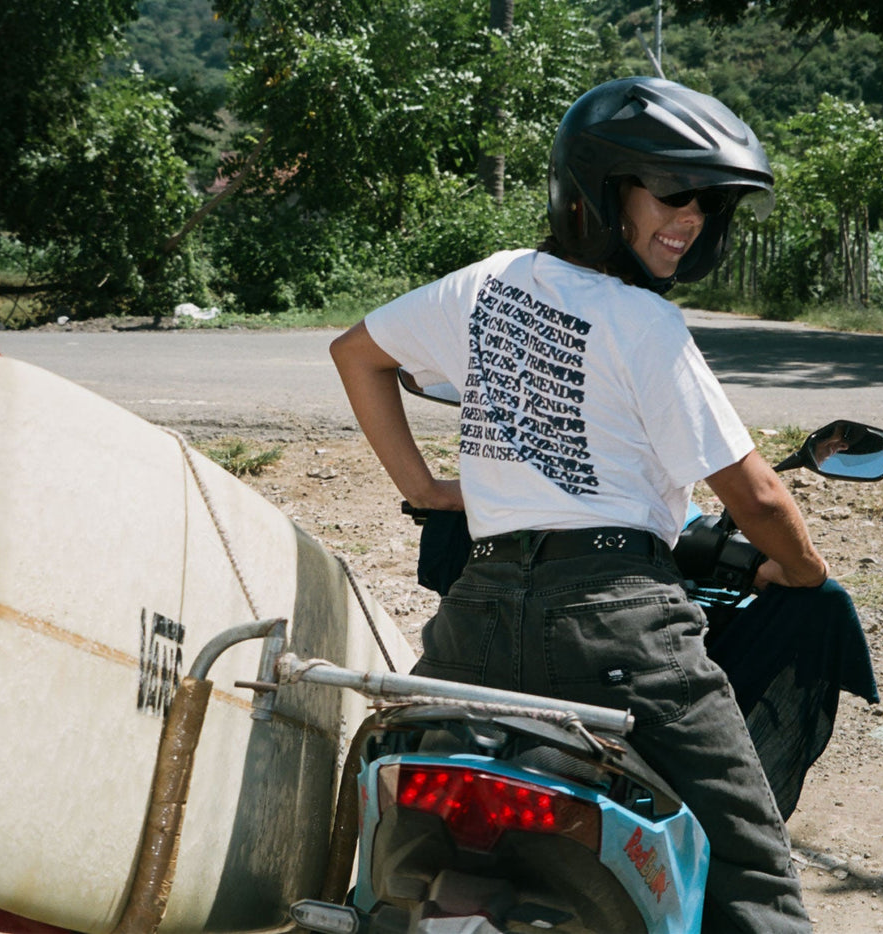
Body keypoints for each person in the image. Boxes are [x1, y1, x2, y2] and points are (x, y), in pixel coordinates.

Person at [330, 76, 821, 933]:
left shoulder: (482, 285)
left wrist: (422, 490)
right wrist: (803, 568)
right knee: (748, 865)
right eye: (670, 191)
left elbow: (355, 353)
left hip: (474, 618)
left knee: (394, 835)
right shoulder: (644, 323)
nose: (692, 216)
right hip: (620, 625)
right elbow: (756, 494)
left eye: (706, 200)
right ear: (597, 193)